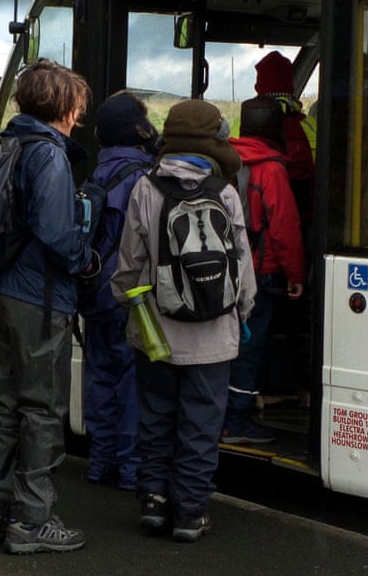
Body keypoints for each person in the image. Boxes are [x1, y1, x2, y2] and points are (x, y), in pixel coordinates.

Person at [112, 99, 257, 542]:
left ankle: (154, 502)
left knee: (156, 418)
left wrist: (130, 309)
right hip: (213, 337)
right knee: (200, 425)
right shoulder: (226, 192)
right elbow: (243, 270)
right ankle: (191, 513)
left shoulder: (145, 188)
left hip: (157, 333)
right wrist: (241, 314)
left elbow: (129, 266)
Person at [0, 59, 95, 555]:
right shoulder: (49, 156)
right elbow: (55, 231)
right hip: (37, 299)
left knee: (1, 407)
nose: (79, 116)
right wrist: (86, 260)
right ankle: (32, 521)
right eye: (78, 106)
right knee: (41, 410)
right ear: (63, 107)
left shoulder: (4, 145)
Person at [79, 92, 159, 490]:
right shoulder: (145, 177)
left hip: (94, 292)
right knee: (132, 382)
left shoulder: (95, 175)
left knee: (99, 376)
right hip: (132, 294)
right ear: (140, 130)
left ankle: (99, 462)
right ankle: (131, 470)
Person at [224, 96, 304, 444]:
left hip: (223, 270)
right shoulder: (272, 167)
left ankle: (218, 413)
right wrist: (296, 275)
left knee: (226, 344)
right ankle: (237, 419)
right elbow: (285, 227)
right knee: (251, 346)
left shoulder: (225, 159)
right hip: (261, 270)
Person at [254, 51, 315, 223]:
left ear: (260, 86)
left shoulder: (244, 124)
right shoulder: (310, 125)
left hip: (261, 216)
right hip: (303, 216)